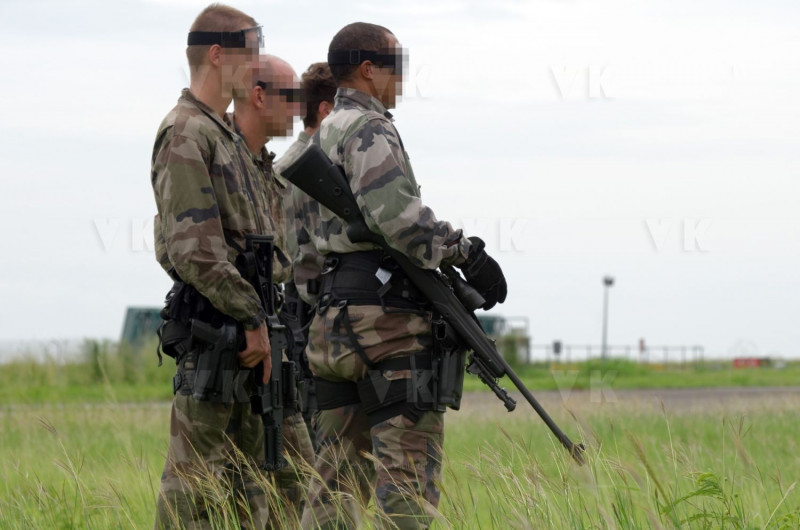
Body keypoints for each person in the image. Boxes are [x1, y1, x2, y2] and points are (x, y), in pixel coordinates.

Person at [295, 22, 507, 529]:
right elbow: (399, 218)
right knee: (406, 493)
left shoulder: (319, 135)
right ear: (369, 69)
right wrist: (466, 253)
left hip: (332, 332)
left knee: (333, 491)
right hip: (387, 334)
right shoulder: (369, 128)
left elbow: (299, 254)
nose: (402, 79)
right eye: (396, 66)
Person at [150, 5, 275, 529]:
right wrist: (251, 317)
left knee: (255, 491)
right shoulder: (185, 132)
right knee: (192, 496)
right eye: (252, 48)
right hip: (219, 337)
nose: (259, 61)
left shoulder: (223, 135)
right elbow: (192, 248)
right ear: (218, 54)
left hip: (246, 340)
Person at [229, 54, 315, 522]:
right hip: (234, 338)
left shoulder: (268, 171)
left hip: (272, 335)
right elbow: (178, 247)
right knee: (238, 487)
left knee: (297, 477)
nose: (298, 108)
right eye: (290, 97)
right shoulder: (220, 158)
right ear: (259, 96)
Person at [273, 61, 338, 449]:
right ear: (327, 110)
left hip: (300, 314)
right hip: (312, 314)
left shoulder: (282, 167)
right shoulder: (309, 170)